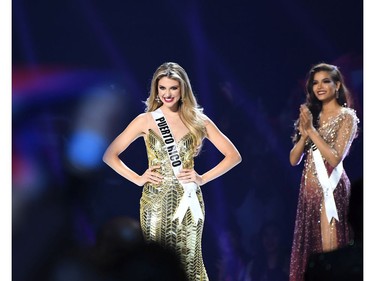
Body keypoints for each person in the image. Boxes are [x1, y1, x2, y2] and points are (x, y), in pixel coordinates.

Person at [102, 62, 242, 281]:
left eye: (173, 88)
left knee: (189, 261)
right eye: (163, 88)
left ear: (182, 89)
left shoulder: (198, 120)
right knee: (155, 262)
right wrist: (138, 178)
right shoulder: (145, 120)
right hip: (154, 202)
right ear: (156, 91)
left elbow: (234, 156)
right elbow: (110, 154)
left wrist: (202, 178)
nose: (167, 94)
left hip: (188, 201)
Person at [288, 63, 359, 281]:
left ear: (337, 85)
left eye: (325, 81)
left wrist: (311, 132)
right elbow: (294, 159)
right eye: (315, 82)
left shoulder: (346, 117)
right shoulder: (312, 117)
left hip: (331, 188)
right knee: (312, 252)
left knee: (330, 251)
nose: (319, 86)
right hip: (309, 195)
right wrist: (305, 133)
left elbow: (335, 158)